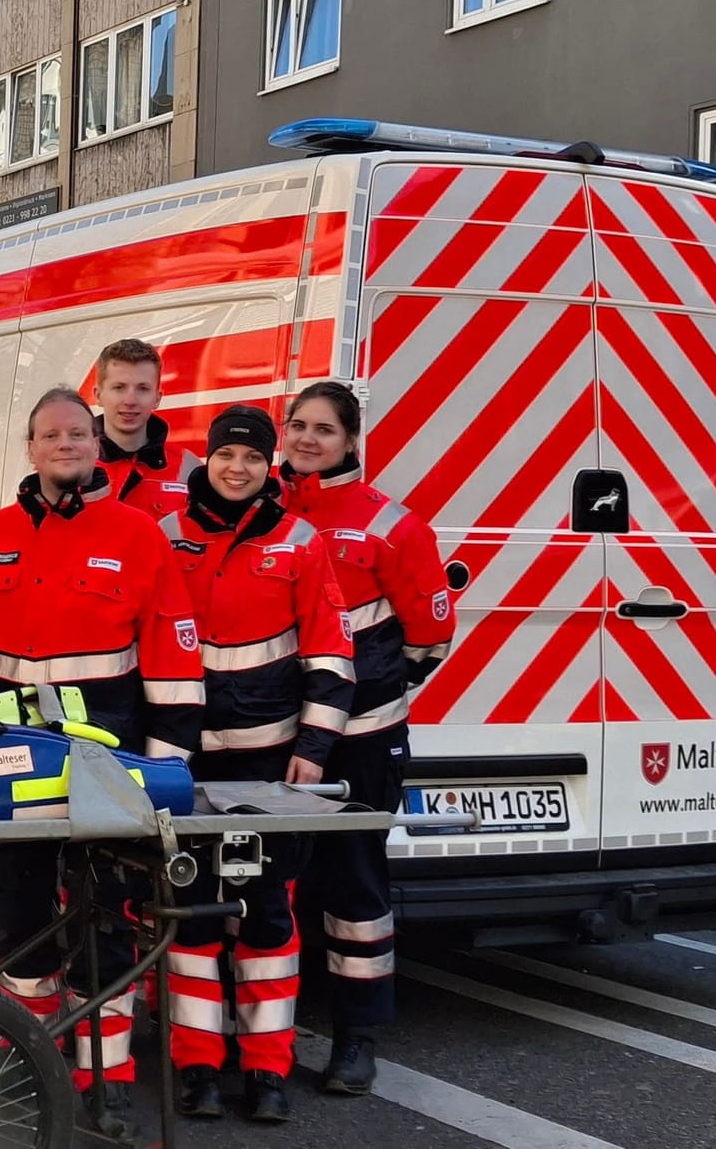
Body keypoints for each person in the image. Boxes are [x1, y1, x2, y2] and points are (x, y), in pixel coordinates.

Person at [0, 386, 203, 1133]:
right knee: (20, 917)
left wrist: (166, 768)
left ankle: (108, 1077)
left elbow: (172, 656)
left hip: (108, 764)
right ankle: (38, 1059)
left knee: (107, 921)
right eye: (51, 435)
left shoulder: (138, 534)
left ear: (96, 447)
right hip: (14, 766)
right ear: (29, 449)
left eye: (79, 435)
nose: (66, 445)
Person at [158, 404, 354, 1124]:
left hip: (272, 772)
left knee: (269, 918)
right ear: (205, 460)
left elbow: (333, 652)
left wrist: (313, 748)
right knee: (194, 920)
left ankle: (268, 1072)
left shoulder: (299, 541)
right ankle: (199, 1068)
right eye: (225, 455)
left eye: (250, 457)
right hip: (190, 769)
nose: (236, 468)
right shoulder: (166, 537)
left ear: (268, 465)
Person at [281, 381, 454, 1094]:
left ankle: (356, 1038)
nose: (308, 439)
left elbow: (430, 638)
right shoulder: (264, 509)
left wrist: (363, 701)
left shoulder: (392, 525)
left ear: (351, 441)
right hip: (276, 739)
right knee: (272, 889)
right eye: (298, 425)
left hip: (361, 739)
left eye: (325, 429)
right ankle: (265, 1036)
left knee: (354, 886)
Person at [94, 338, 196, 518]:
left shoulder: (188, 468)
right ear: (98, 395)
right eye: (119, 387)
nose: (130, 401)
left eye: (142, 389)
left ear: (157, 398)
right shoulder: (68, 463)